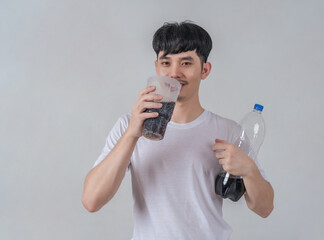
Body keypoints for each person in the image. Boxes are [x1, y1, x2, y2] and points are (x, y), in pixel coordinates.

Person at [81, 21, 274, 239]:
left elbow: (264, 208)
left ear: (205, 70)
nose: (174, 73)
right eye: (166, 62)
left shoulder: (229, 131)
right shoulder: (129, 125)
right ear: (156, 68)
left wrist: (249, 170)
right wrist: (132, 134)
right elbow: (91, 201)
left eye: (186, 63)